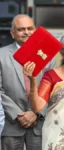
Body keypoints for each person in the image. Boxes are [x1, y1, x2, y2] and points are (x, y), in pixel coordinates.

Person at [0, 14, 56, 150]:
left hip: (39, 123)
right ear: (12, 33)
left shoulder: (47, 55)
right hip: (11, 123)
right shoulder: (1, 55)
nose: (26, 32)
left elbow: (50, 88)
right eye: (21, 29)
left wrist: (35, 112)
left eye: (30, 28)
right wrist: (17, 115)